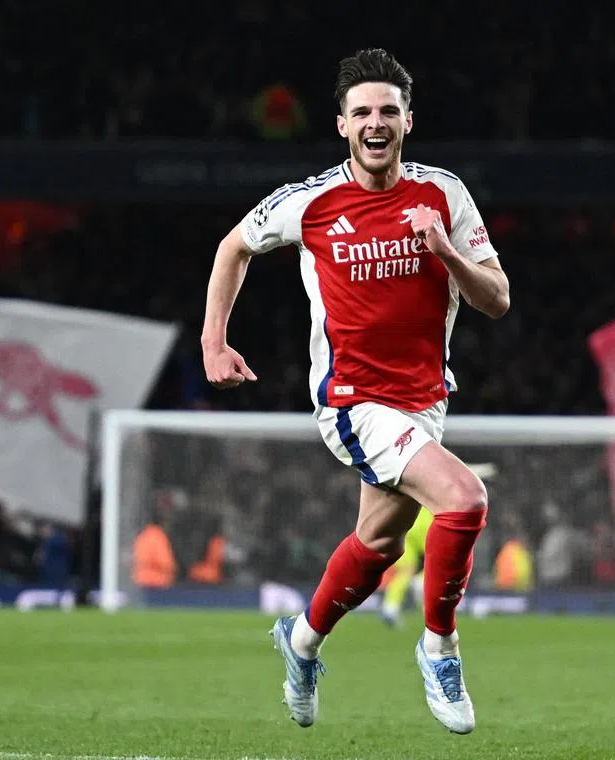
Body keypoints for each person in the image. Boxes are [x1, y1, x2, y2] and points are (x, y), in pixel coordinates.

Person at [201, 48, 509, 735]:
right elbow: (233, 247)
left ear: (408, 121)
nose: (377, 122)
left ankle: (302, 643)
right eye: (363, 112)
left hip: (424, 398)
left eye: (389, 111)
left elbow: (497, 299)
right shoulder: (309, 201)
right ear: (342, 125)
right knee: (464, 501)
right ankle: (440, 647)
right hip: (351, 400)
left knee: (379, 543)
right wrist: (212, 343)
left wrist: (448, 253)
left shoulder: (443, 196)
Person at [380, 463, 497, 628]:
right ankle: (424, 590)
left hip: (408, 524)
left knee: (406, 570)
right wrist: (484, 470)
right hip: (427, 525)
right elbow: (461, 472)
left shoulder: (420, 468)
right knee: (440, 566)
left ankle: (390, 608)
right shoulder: (441, 472)